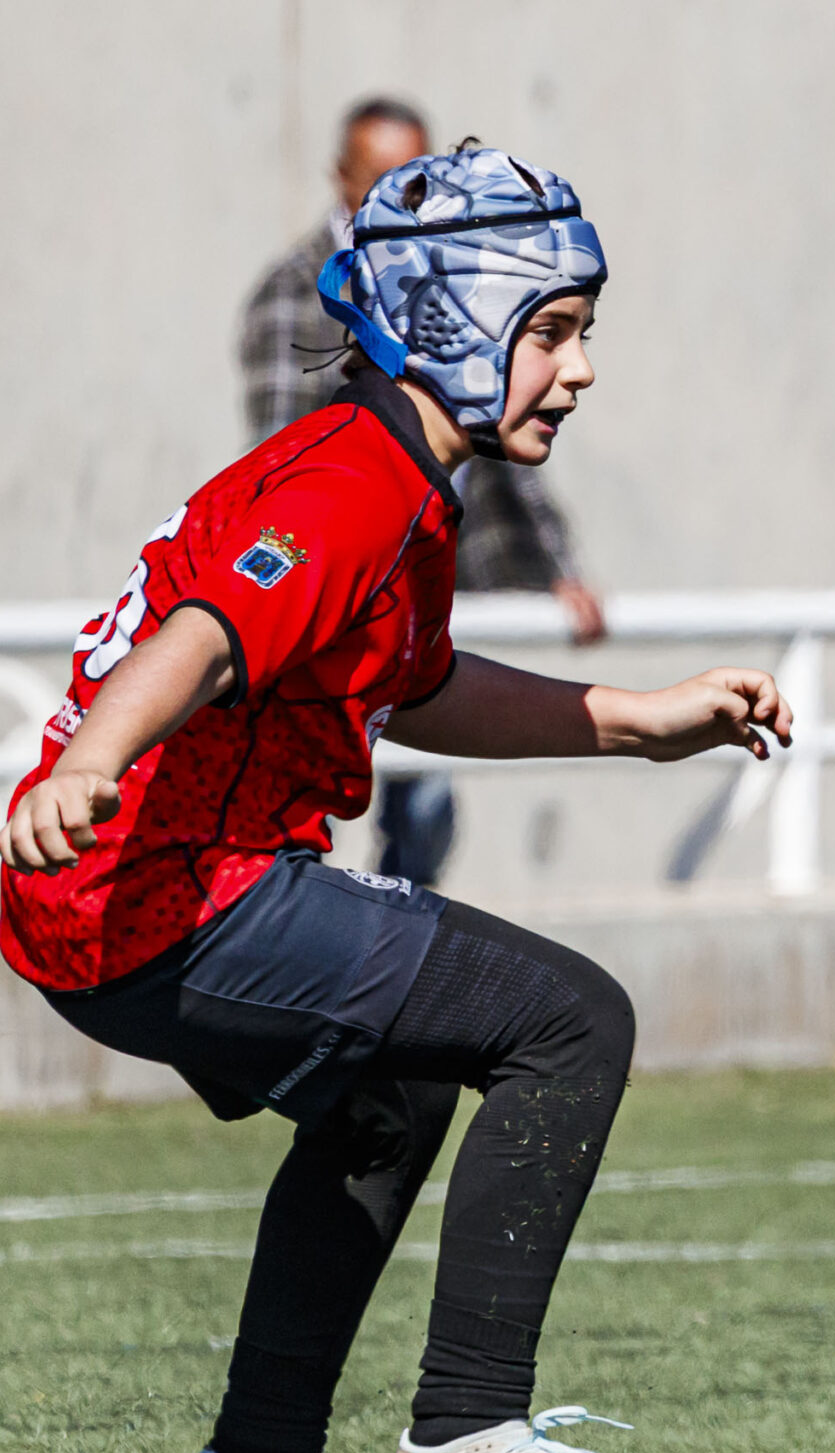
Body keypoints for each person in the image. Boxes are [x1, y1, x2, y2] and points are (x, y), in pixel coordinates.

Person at [1, 147, 789, 1453]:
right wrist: (88, 763)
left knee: (399, 1085)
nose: (582, 368)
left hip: (110, 903)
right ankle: (470, 1439)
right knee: (572, 1017)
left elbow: (412, 687)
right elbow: (202, 638)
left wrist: (639, 720)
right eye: (552, 330)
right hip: (169, 885)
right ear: (447, 324)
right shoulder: (361, 481)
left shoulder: (397, 477)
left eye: (583, 332)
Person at [239, 96, 606, 885]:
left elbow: (506, 418)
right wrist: (86, 765)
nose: (579, 370)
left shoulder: (465, 265)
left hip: (430, 564)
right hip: (348, 568)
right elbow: (276, 464)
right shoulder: (297, 290)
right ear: (342, 179)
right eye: (384, 175)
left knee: (424, 812)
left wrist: (558, 568)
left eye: (417, 169)